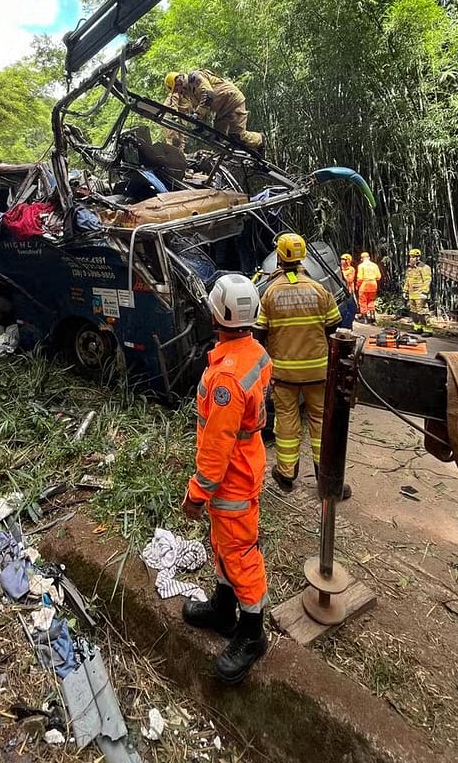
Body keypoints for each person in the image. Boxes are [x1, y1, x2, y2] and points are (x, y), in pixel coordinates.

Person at [182, 274, 271, 683]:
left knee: (240, 552)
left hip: (230, 475)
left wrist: (196, 493)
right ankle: (223, 606)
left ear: (216, 313)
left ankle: (251, 633)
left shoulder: (226, 380)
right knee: (224, 543)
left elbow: (217, 445)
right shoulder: (252, 352)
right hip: (244, 463)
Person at [256, 233, 350, 498]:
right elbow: (334, 326)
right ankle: (326, 479)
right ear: (303, 255)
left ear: (279, 256)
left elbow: (259, 333)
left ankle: (286, 474)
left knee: (286, 421)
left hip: (284, 372)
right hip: (318, 372)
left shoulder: (271, 293)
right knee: (321, 422)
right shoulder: (319, 290)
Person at [168, 69, 265, 153]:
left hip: (233, 102)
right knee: (217, 140)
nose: (180, 93)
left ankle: (260, 139)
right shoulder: (190, 93)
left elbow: (209, 94)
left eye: (178, 89)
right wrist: (199, 125)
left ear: (178, 81)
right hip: (221, 110)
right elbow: (201, 109)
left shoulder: (195, 77)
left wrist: (197, 115)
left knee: (237, 137)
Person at [403, 247, 432, 334]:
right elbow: (408, 280)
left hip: (420, 294)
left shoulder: (424, 267)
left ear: (418, 258)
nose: (411, 258)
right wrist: (405, 291)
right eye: (410, 257)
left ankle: (427, 329)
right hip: (412, 294)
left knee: (422, 313)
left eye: (413, 257)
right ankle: (417, 327)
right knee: (414, 313)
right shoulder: (410, 268)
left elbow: (427, 280)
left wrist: (424, 292)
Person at [162, 73, 193, 150]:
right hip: (171, 118)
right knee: (173, 138)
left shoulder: (186, 95)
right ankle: (173, 155)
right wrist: (175, 118)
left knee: (181, 140)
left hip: (180, 119)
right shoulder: (175, 95)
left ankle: (181, 155)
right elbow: (174, 107)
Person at [356, 251, 381, 324]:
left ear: (362, 259)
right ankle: (373, 318)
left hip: (364, 284)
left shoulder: (361, 266)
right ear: (369, 257)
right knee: (371, 300)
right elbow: (378, 277)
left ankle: (365, 318)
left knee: (363, 301)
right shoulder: (375, 265)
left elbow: (360, 278)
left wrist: (357, 285)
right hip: (373, 284)